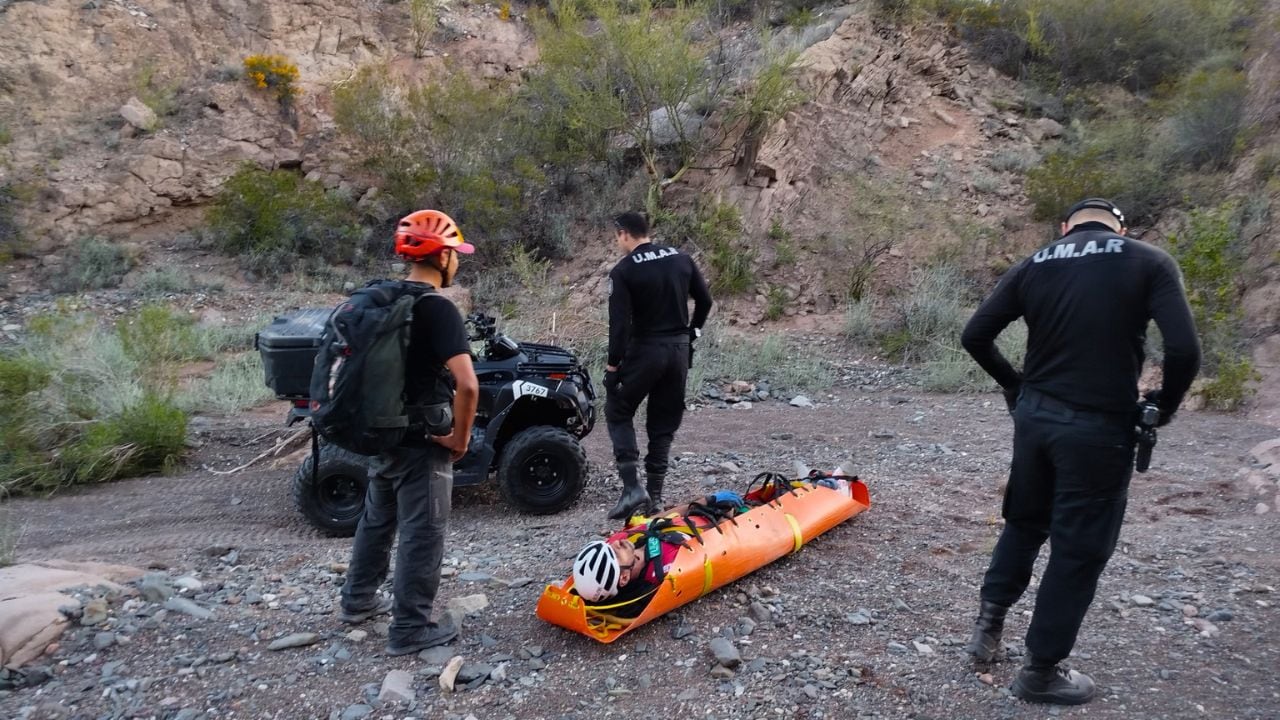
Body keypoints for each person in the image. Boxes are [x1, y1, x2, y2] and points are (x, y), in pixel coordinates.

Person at [959, 198, 1201, 705]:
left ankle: (986, 631)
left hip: (1035, 420)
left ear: (1066, 227)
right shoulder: (1147, 260)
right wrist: (1164, 405)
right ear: (1120, 227)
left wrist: (1014, 385)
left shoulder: (1036, 262)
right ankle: (1040, 672)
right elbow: (1182, 350)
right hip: (1099, 428)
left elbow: (975, 335)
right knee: (1079, 548)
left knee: (1024, 523)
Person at [337, 209, 480, 656]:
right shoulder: (438, 308)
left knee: (378, 518)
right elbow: (468, 384)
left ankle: (357, 601)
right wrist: (459, 439)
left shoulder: (381, 298)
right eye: (454, 253)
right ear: (441, 258)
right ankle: (410, 630)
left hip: (382, 430)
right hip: (424, 439)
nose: (458, 260)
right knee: (424, 530)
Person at [603, 211, 714, 520]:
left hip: (645, 351)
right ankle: (655, 499)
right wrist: (693, 332)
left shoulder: (623, 271)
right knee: (663, 424)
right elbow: (705, 301)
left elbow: (619, 326)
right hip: (678, 352)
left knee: (617, 409)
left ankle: (631, 489)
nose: (617, 242)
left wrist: (613, 367)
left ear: (624, 234)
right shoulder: (682, 258)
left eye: (616, 237)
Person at [572, 490, 746, 614]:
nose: (616, 544)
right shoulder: (665, 571)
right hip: (721, 523)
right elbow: (721, 548)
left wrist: (707, 500)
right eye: (615, 554)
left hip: (697, 515)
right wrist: (726, 512)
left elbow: (656, 520)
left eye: (609, 546)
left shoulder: (623, 541)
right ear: (624, 578)